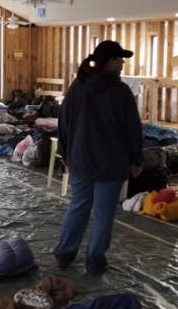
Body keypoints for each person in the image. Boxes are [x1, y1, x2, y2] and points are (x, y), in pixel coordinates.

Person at [53, 40, 144, 275]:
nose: (123, 64)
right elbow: (132, 128)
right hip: (111, 163)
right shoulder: (120, 91)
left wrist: (64, 150)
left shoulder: (79, 86)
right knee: (103, 214)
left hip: (81, 159)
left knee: (78, 207)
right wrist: (137, 159)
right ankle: (94, 261)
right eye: (121, 60)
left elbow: (64, 121)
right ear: (111, 61)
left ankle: (64, 254)